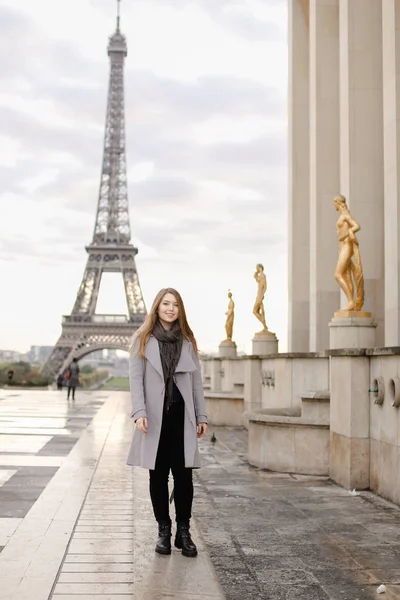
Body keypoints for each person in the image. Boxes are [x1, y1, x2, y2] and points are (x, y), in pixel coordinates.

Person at [127, 288, 208, 558]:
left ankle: (183, 532)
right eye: (166, 304)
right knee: (158, 476)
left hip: (181, 416)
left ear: (180, 309)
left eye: (175, 305)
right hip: (153, 417)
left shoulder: (187, 340)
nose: (170, 309)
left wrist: (201, 416)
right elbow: (135, 380)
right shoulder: (142, 339)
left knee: (184, 477)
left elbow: (196, 383)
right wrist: (138, 412)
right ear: (157, 307)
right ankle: (164, 529)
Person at [333, 194, 364, 311]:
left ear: (337, 202)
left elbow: (357, 226)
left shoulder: (345, 215)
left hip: (347, 245)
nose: (333, 205)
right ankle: (350, 303)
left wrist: (348, 232)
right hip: (342, 246)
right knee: (346, 276)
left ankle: (351, 301)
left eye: (334, 203)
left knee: (337, 274)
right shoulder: (342, 215)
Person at [253, 263, 268, 331]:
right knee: (260, 310)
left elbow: (265, 286)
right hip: (258, 295)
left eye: (257, 268)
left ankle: (264, 324)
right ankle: (264, 325)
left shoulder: (262, 275)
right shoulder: (261, 276)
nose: (256, 269)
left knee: (255, 311)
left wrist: (262, 295)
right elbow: (256, 278)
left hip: (259, 295)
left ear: (260, 268)